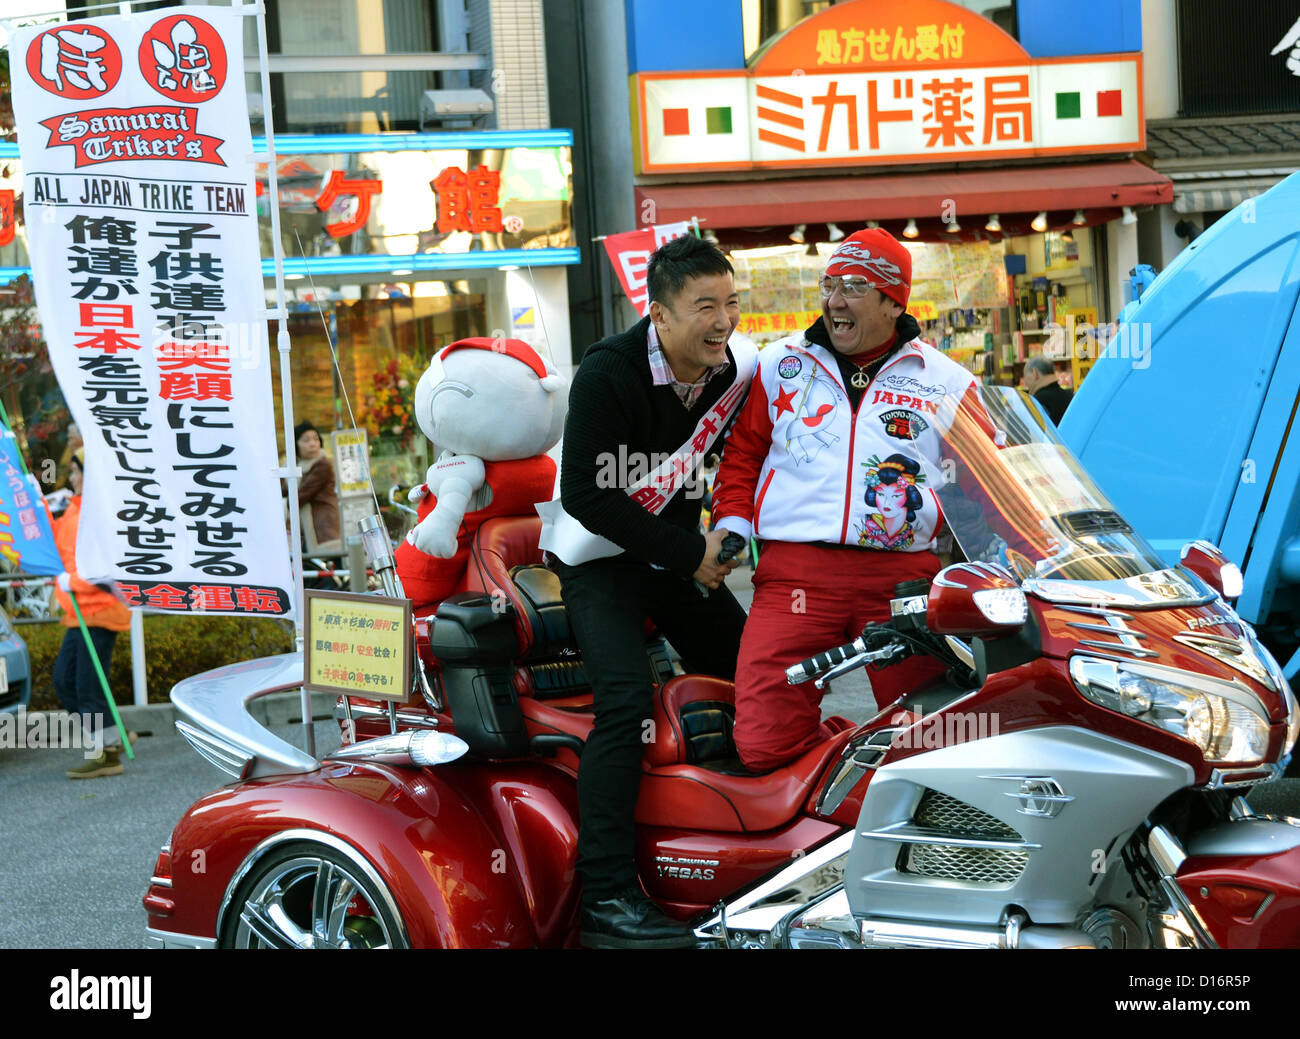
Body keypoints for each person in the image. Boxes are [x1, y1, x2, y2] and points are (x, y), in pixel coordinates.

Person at [538, 234, 755, 949]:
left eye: (729, 302)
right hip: (598, 558)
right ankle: (606, 894)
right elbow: (587, 498)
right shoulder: (608, 373)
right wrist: (690, 553)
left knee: (752, 671)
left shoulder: (730, 373)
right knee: (625, 703)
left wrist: (723, 532)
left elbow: (734, 463)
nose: (723, 320)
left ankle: (733, 848)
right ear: (659, 315)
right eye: (704, 307)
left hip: (672, 554)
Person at [712, 227, 986, 773]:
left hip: (903, 583)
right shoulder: (778, 363)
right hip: (794, 577)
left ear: (893, 300)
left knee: (937, 741)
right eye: (828, 285)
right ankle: (837, 781)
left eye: (853, 287)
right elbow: (742, 457)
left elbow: (989, 485)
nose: (834, 301)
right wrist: (733, 525)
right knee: (763, 743)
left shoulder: (947, 381)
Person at [52, 450, 133, 779]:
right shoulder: (74, 508)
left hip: (100, 610)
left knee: (87, 686)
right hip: (79, 613)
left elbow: (107, 570)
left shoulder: (104, 514)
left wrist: (69, 581)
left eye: (76, 471)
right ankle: (110, 737)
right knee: (65, 681)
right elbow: (56, 545)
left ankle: (107, 752)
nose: (72, 478)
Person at [292, 421, 340, 549]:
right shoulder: (295, 467)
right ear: (295, 444)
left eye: (315, 439)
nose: (312, 444)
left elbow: (299, 496)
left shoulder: (322, 465)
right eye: (306, 440)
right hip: (308, 530)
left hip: (324, 527)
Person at [1023, 355, 1072, 425]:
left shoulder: (1036, 401)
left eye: (1025, 376)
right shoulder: (1069, 395)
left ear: (1035, 373)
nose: (1025, 381)